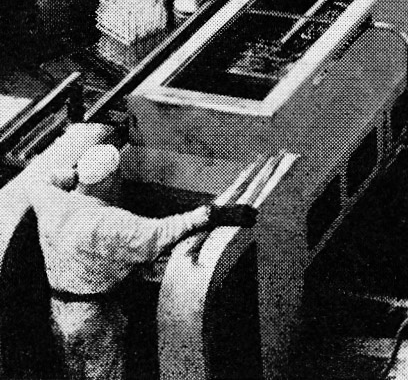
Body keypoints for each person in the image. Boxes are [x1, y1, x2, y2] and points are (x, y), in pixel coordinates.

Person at [26, 143, 256, 380]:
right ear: (110, 180)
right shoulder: (111, 221)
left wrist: (76, 174)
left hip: (58, 310)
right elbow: (163, 231)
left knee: (72, 371)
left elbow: (37, 179)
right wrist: (210, 214)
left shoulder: (49, 201)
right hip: (94, 317)